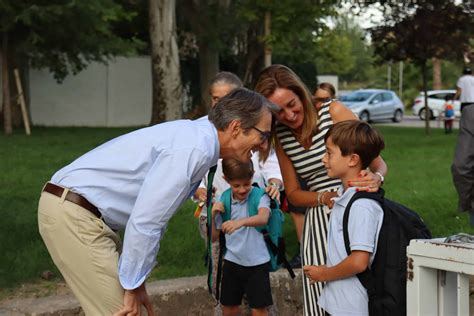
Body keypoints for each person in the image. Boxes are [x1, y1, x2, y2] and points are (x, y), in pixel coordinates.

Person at [37, 88, 277, 315]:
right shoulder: (195, 149)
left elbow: (154, 216)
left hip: (80, 212)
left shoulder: (199, 138)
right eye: (263, 135)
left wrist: (137, 280)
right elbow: (146, 221)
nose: (264, 144)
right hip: (76, 214)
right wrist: (132, 283)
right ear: (236, 127)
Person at [254, 66, 387, 316]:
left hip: (354, 206)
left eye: (292, 104)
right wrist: (322, 197)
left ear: (301, 93)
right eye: (278, 111)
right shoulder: (280, 135)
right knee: (318, 288)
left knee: (363, 284)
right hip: (318, 216)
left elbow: (377, 160)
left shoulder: (333, 111)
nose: (289, 115)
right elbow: (292, 193)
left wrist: (376, 176)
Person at [193, 72, 282, 315]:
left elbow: (270, 163)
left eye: (227, 98)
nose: (220, 104)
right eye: (215, 98)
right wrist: (201, 192)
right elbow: (195, 175)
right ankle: (222, 304)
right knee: (221, 270)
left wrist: (274, 183)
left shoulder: (253, 131)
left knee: (257, 283)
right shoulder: (203, 133)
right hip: (218, 210)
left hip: (251, 214)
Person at [303, 120, 385, 316]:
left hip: (353, 307)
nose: (323, 159)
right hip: (341, 303)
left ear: (352, 160)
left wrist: (324, 274)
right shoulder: (343, 197)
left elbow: (359, 261)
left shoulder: (361, 206)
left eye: (329, 153)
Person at [211, 158, 273, 316]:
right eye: (236, 186)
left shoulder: (260, 195)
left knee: (259, 309)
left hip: (257, 262)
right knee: (228, 307)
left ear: (252, 176)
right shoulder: (224, 199)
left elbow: (263, 218)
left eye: (246, 184)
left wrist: (239, 223)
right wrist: (213, 216)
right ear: (226, 180)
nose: (242, 190)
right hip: (233, 261)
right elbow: (213, 237)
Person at [452, 66, 474, 226]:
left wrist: (467, 200)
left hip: (467, 106)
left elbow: (461, 165)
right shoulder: (472, 80)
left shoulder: (463, 79)